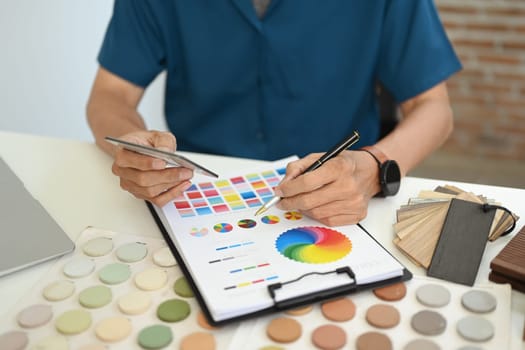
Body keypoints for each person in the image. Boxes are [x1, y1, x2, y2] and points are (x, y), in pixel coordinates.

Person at [87, 0, 461, 226]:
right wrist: (132, 147)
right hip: (196, 194)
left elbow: (433, 108)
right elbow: (110, 95)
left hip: (341, 195)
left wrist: (374, 166)